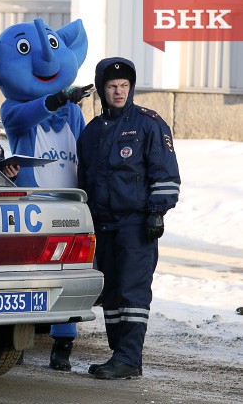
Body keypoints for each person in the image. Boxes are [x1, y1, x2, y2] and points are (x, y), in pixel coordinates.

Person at [0, 17, 94, 371]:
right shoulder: (11, 108)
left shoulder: (73, 112)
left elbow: (84, 148)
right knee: (25, 274)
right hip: (33, 209)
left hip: (70, 204)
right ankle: (14, 341)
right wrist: (55, 99)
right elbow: (24, 117)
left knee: (68, 274)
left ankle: (63, 343)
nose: (45, 62)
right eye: (25, 51)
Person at [77, 57, 181, 379]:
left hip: (136, 225)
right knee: (112, 293)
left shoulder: (149, 124)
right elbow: (86, 181)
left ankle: (128, 357)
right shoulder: (91, 132)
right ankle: (121, 356)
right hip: (104, 225)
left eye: (124, 86)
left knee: (133, 292)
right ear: (101, 89)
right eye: (112, 86)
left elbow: (166, 174)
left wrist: (156, 212)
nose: (119, 91)